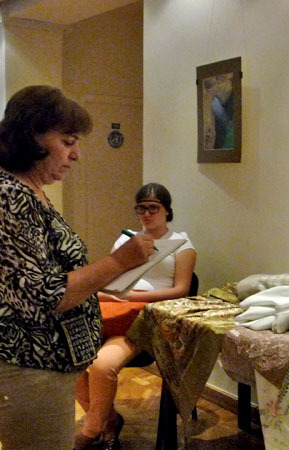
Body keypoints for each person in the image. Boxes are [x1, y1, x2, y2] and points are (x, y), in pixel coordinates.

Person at [0, 85, 155, 450]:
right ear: (32, 138)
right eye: (68, 142)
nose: (76, 155)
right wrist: (119, 261)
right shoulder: (10, 196)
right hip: (30, 364)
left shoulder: (31, 192)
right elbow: (46, 296)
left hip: (45, 364)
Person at [74, 182, 196, 450]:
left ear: (167, 210)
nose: (146, 214)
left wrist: (132, 297)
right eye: (141, 208)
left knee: (102, 365)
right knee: (68, 358)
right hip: (114, 310)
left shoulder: (182, 244)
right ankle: (108, 422)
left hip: (147, 318)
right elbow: (109, 277)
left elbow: (181, 291)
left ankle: (93, 429)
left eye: (153, 208)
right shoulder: (126, 240)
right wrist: (108, 295)